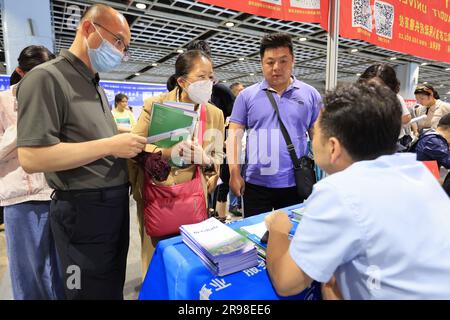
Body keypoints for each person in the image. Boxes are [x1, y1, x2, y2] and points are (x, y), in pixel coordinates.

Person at [264, 83, 450, 299]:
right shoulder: (417, 172)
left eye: (315, 130)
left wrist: (278, 227)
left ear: (332, 147)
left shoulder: (338, 191)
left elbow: (287, 283)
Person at [16, 4, 147, 300]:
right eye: (117, 41)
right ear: (89, 28)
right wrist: (111, 145)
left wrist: (130, 140)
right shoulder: (46, 78)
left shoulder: (94, 84)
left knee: (109, 287)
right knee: (82, 292)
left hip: (112, 208)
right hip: (81, 213)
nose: (120, 51)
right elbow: (32, 157)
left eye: (124, 46)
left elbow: (95, 137)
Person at [129, 50, 225, 279]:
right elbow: (135, 147)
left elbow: (218, 157)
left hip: (194, 196)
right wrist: (166, 152)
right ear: (182, 81)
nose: (209, 83)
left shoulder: (214, 114)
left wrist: (206, 159)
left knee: (191, 257)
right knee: (157, 258)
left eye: (211, 77)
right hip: (158, 193)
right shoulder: (156, 105)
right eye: (202, 77)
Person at [227, 32, 322, 217]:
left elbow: (318, 135)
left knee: (287, 236)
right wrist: (234, 172)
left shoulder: (310, 95)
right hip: (255, 183)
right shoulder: (247, 96)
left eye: (283, 61)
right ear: (262, 63)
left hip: (294, 183)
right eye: (270, 62)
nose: (276, 68)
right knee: (253, 235)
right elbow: (233, 137)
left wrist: (324, 176)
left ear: (293, 60)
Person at [0, 46, 64, 300]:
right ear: (20, 72)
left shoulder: (54, 102)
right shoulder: (3, 101)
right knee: (28, 271)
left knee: (61, 268)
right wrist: (23, 127)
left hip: (57, 194)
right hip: (21, 199)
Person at [358, 63, 412, 148]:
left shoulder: (396, 100)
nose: (373, 92)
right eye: (368, 87)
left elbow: (407, 117)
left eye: (380, 89)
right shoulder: (357, 100)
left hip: (389, 144)